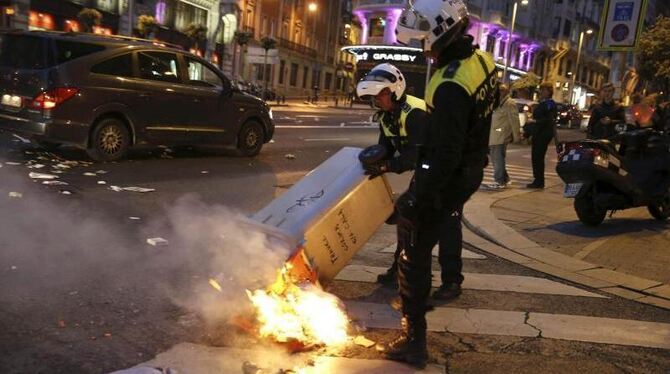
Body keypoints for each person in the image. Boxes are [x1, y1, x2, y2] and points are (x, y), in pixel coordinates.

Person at [380, 0, 499, 368]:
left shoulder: (448, 85)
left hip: (451, 174)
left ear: (438, 34)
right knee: (428, 234)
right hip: (471, 168)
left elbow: (443, 154)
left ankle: (413, 339)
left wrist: (417, 198)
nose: (422, 50)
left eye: (422, 42)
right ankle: (422, 297)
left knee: (412, 247)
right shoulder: (482, 62)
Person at [355, 63, 428, 287]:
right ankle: (401, 270)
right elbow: (385, 147)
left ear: (394, 91)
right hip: (427, 169)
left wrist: (387, 167)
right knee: (409, 219)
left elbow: (415, 155)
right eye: (375, 96)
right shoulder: (387, 116)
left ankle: (449, 281)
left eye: (381, 95)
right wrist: (371, 161)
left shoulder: (415, 113)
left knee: (441, 226)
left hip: (444, 168)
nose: (377, 100)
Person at [488, 84, 521, 189]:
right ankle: (505, 179)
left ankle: (500, 181)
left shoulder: (509, 103)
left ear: (507, 91)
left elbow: (514, 121)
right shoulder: (498, 102)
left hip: (500, 134)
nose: (499, 92)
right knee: (497, 159)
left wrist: (516, 136)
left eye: (502, 90)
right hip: (495, 134)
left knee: (497, 159)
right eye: (498, 90)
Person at [525, 82, 557, 189]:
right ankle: (538, 179)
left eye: (543, 90)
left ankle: (539, 181)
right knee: (536, 157)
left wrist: (534, 121)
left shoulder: (549, 104)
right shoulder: (543, 103)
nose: (541, 92)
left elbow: (549, 119)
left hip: (543, 134)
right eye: (541, 90)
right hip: (539, 133)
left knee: (538, 156)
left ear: (549, 92)